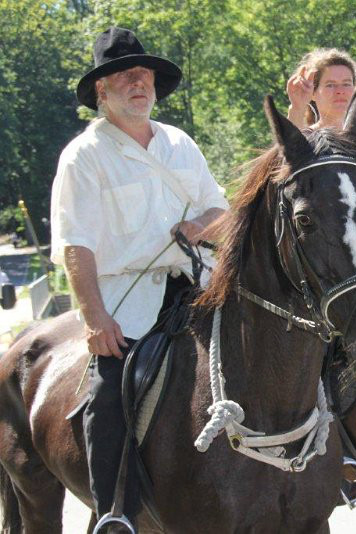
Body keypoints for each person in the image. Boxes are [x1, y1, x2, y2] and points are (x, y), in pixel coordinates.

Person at [50, 26, 228, 527]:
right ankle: (115, 513)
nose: (138, 83)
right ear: (101, 90)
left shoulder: (179, 143)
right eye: (125, 75)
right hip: (127, 300)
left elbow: (220, 209)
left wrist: (199, 225)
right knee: (110, 395)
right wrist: (94, 319)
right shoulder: (84, 156)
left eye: (144, 74)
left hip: (199, 281)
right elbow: (76, 245)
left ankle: (324, 460)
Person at [285, 48, 356, 234]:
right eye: (330, 85)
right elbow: (285, 155)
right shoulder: (304, 139)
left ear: (355, 89)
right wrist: (297, 108)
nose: (340, 91)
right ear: (313, 93)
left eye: (347, 84)